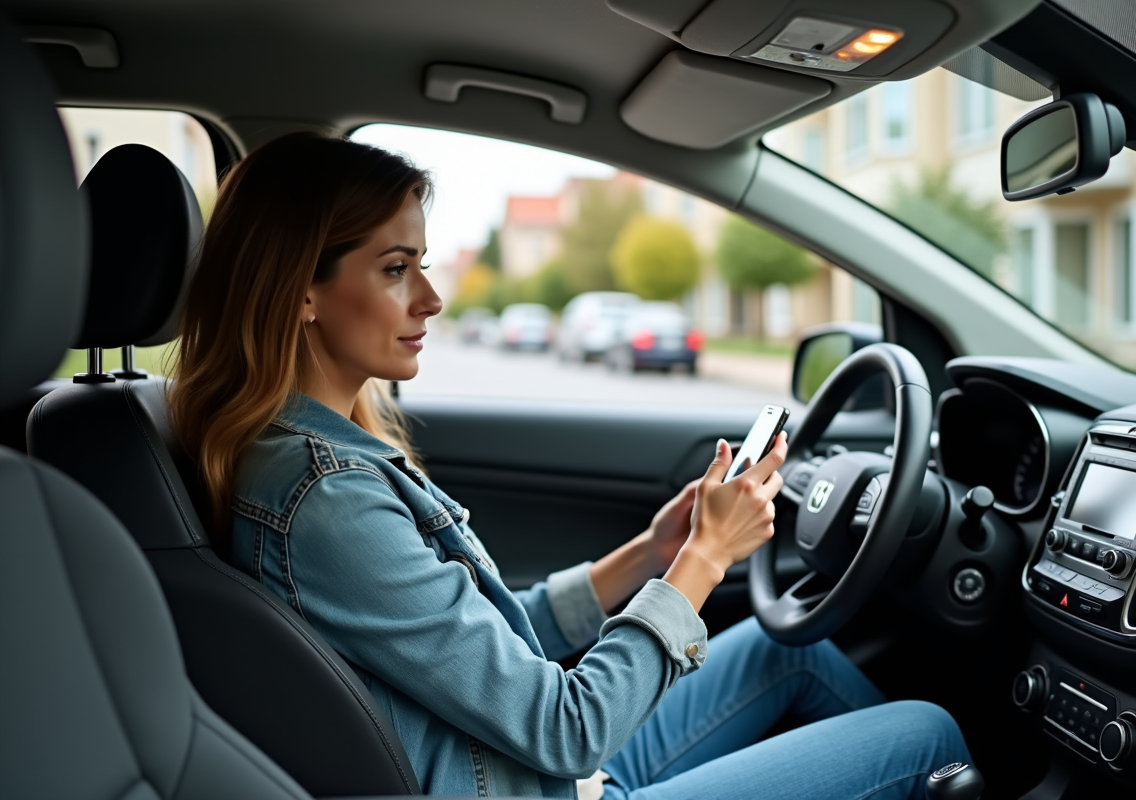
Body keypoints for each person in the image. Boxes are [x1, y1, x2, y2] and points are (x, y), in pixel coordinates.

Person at [170, 133, 970, 800]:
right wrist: (703, 560)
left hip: (535, 773)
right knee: (928, 736)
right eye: (394, 268)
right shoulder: (326, 497)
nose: (431, 297)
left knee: (784, 647)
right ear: (301, 292)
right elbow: (566, 727)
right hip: (549, 780)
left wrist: (649, 557)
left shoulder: (311, 456)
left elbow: (479, 648)